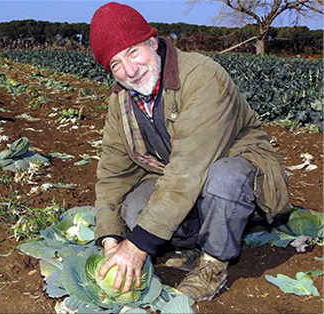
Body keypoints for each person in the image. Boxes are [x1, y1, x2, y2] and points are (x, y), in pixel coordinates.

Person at [89, 2, 289, 301]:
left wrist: (136, 246)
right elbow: (112, 175)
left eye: (133, 52)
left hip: (241, 174)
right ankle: (193, 248)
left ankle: (214, 263)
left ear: (152, 43)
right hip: (184, 179)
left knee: (224, 178)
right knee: (133, 208)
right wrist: (110, 239)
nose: (129, 70)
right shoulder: (121, 104)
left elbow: (188, 168)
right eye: (116, 64)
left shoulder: (202, 76)